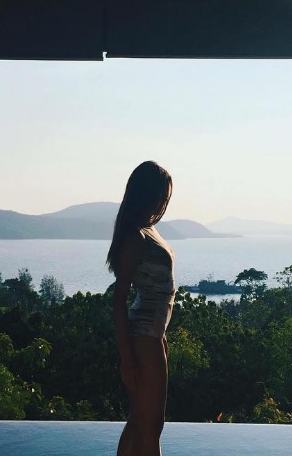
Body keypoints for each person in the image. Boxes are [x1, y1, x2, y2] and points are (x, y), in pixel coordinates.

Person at [107, 161, 175, 456]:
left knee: (140, 422)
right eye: (161, 195)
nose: (163, 203)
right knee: (151, 426)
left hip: (152, 335)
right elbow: (119, 298)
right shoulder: (136, 236)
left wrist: (161, 336)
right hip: (143, 336)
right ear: (147, 194)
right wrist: (128, 360)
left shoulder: (148, 231)